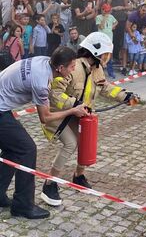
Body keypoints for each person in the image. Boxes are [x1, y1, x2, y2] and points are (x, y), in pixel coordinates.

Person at [40, 33, 136, 206]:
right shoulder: (74, 68)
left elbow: (105, 87)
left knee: (86, 141)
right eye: (105, 54)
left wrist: (124, 96)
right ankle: (49, 184)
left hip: (80, 113)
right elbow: (54, 94)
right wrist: (74, 105)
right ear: (95, 52)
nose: (107, 58)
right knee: (70, 144)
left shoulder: (97, 69)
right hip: (59, 114)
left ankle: (78, 176)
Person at [0, 47, 88, 219]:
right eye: (71, 66)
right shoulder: (41, 82)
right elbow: (45, 117)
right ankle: (23, 206)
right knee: (27, 149)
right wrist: (72, 111)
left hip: (2, 106)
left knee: (14, 149)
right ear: (60, 68)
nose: (73, 70)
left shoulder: (45, 61)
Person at [96, 3, 118, 78]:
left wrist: (113, 26)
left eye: (108, 11)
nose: (107, 13)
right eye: (105, 11)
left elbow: (116, 22)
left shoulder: (111, 16)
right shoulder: (98, 17)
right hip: (101, 39)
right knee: (100, 56)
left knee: (109, 57)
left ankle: (110, 72)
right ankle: (99, 72)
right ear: (102, 10)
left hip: (109, 39)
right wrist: (105, 17)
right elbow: (101, 27)